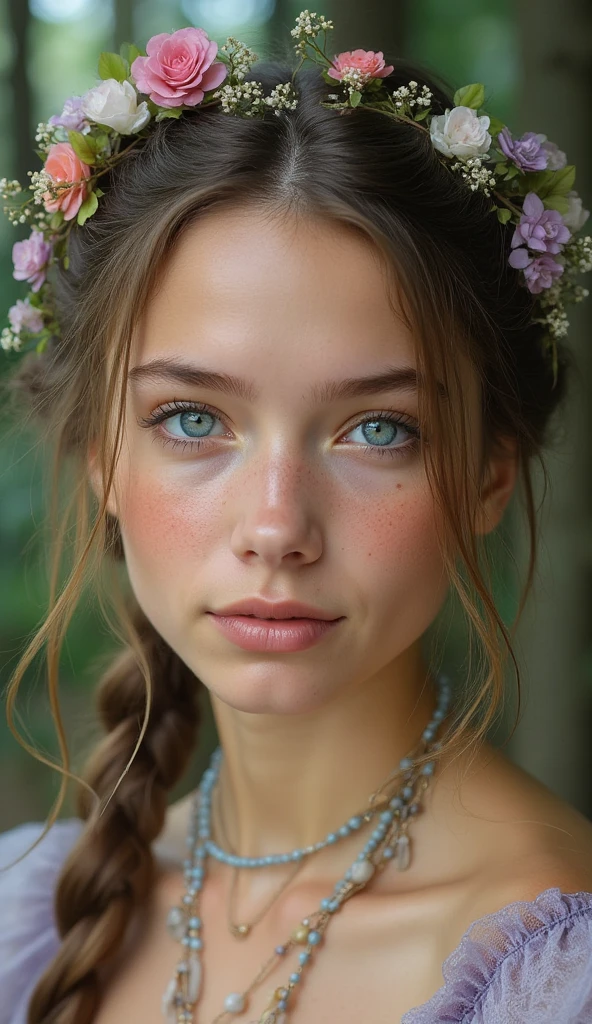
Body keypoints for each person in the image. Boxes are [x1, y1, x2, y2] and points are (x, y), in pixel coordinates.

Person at [1, 12, 592, 1024]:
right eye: (193, 418)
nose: (276, 526)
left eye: (377, 429)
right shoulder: (29, 918)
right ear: (103, 456)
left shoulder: (554, 979)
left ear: (491, 473)